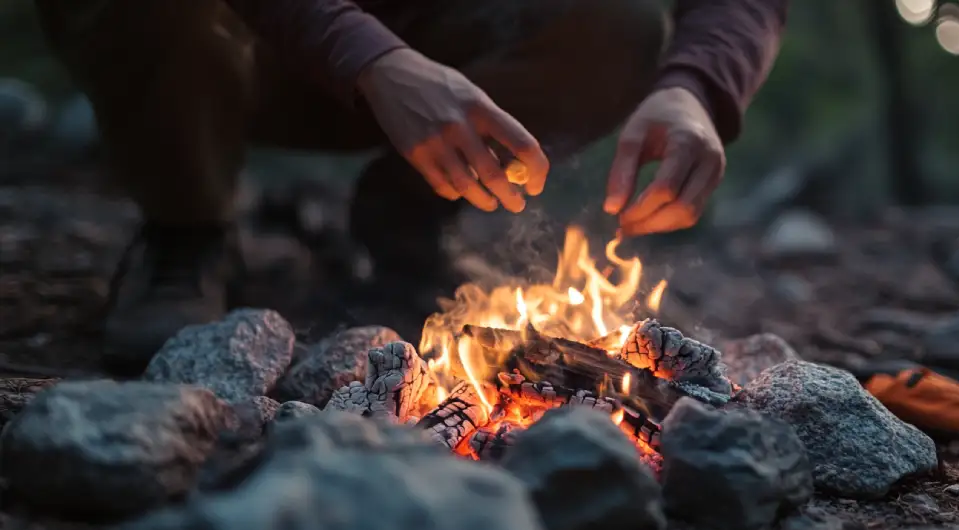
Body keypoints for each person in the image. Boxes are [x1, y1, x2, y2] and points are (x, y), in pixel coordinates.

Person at [33, 0, 788, 373]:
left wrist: (697, 87)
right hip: (233, 43)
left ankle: (406, 216)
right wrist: (366, 55)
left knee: (618, 23)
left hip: (442, 50)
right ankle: (185, 224)